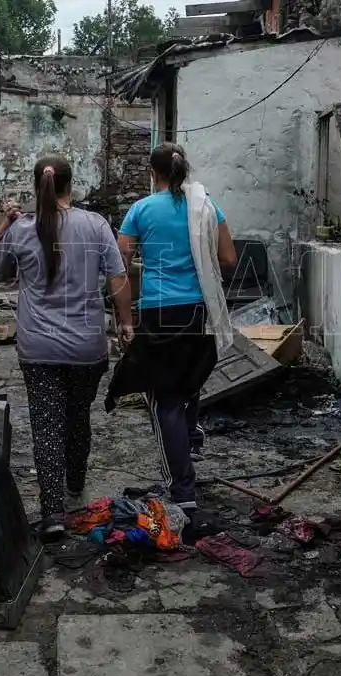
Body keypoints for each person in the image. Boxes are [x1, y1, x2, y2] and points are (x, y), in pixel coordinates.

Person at [0, 155, 134, 543]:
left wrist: (5, 221)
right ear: (73, 185)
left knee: (46, 426)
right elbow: (118, 277)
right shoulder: (95, 224)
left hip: (38, 348)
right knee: (78, 415)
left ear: (38, 186)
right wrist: (126, 323)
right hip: (87, 346)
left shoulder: (22, 229)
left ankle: (53, 513)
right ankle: (75, 483)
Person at [106, 142, 237, 520]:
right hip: (198, 311)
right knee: (186, 386)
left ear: (152, 172)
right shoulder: (206, 206)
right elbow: (229, 259)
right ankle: (190, 442)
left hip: (159, 313)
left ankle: (183, 488)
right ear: (185, 170)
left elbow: (120, 265)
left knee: (164, 400)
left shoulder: (141, 210)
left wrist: (124, 316)